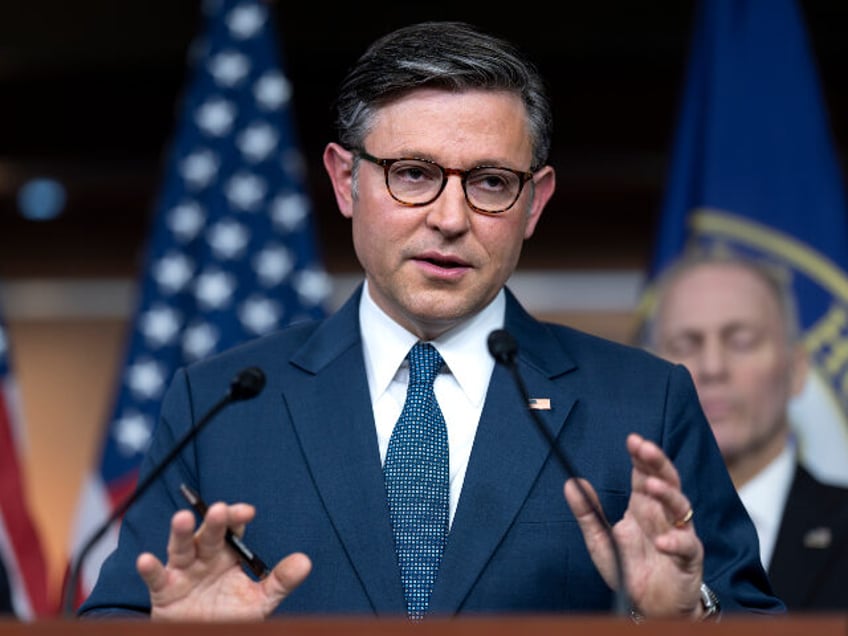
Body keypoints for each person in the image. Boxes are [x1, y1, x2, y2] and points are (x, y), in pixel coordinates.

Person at [79, 21, 781, 621]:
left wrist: (683, 616)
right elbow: (119, 613)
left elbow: (758, 619)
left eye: (490, 183)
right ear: (344, 179)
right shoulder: (223, 403)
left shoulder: (643, 403)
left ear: (534, 203)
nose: (450, 219)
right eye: (413, 173)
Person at [646, 252, 848, 611]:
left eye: (741, 341)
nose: (712, 367)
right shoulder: (611, 538)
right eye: (686, 345)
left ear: (796, 370)